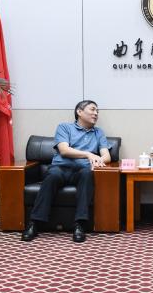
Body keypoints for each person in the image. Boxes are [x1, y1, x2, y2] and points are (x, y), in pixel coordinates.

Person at [22, 100, 111, 243]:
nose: (96, 113)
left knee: (87, 174)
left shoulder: (98, 132)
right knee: (51, 177)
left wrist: (99, 160)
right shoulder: (64, 127)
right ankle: (34, 223)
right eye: (92, 109)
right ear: (79, 112)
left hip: (82, 170)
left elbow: (107, 156)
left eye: (97, 111)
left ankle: (80, 224)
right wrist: (89, 154)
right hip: (60, 168)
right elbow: (64, 150)